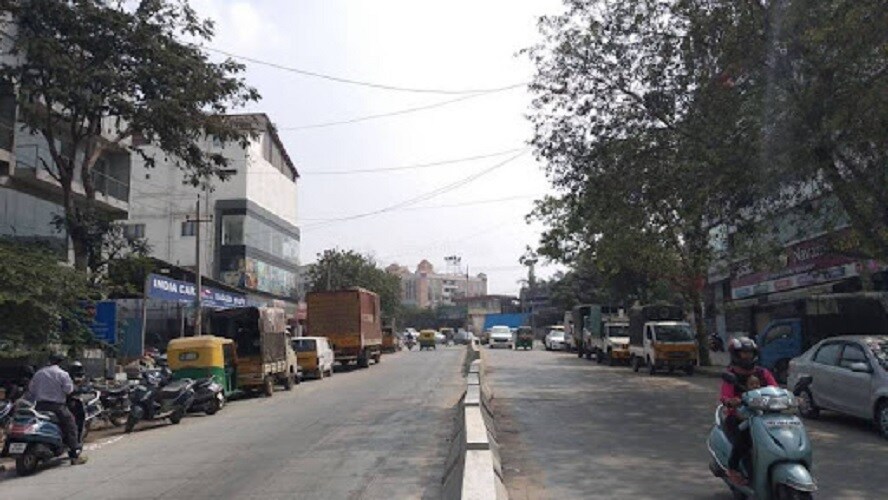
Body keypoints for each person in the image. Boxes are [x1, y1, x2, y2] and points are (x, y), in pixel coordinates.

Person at [720, 337, 777, 486]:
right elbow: (725, 395)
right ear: (735, 355)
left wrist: (791, 397)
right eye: (743, 353)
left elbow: (775, 389)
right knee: (744, 441)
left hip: (764, 415)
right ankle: (733, 469)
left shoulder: (763, 373)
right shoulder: (731, 374)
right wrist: (730, 401)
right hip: (739, 417)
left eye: (749, 353)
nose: (747, 356)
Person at [25, 354, 88, 465]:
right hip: (57, 407)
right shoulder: (62, 374)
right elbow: (69, 390)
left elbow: (31, 390)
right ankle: (74, 455)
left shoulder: (39, 373)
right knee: (71, 425)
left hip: (39, 406)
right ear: (60, 363)